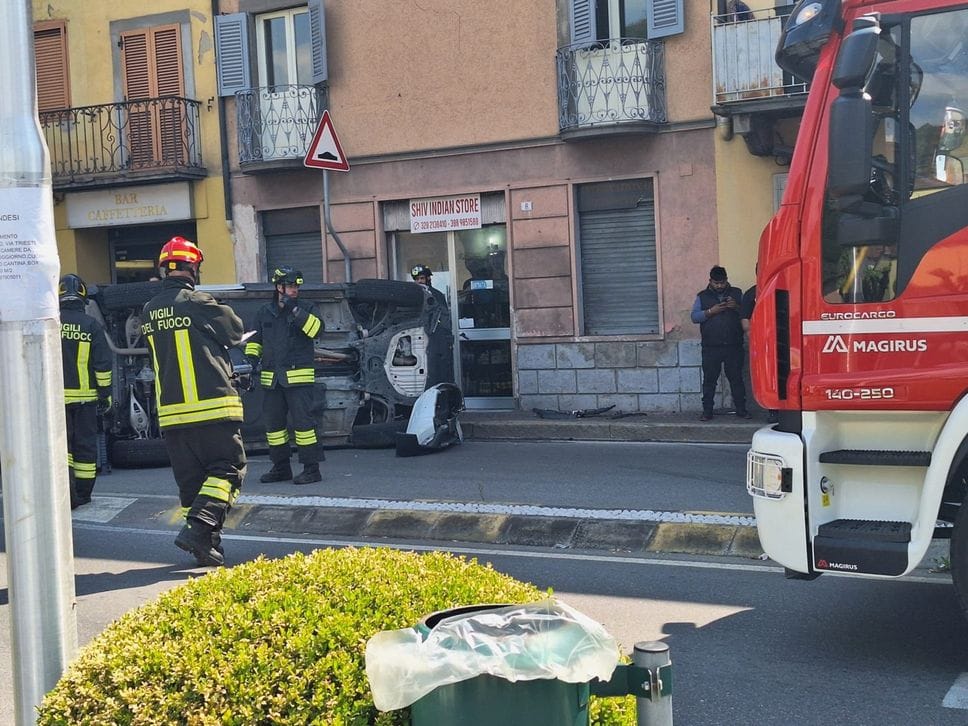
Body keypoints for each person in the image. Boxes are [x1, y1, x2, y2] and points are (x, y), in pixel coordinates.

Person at [142, 236, 246, 566]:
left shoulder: (148, 311)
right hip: (213, 407)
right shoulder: (197, 301)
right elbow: (234, 330)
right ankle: (199, 528)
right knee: (227, 470)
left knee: (192, 483)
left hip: (172, 415)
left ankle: (206, 545)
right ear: (192, 267)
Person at [246, 266, 324, 485]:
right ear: (278, 287)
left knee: (304, 427)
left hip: (298, 379)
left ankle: (311, 469)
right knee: (274, 428)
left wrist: (295, 311)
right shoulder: (264, 312)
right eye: (290, 286)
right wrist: (251, 361)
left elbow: (316, 330)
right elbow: (255, 341)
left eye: (296, 286)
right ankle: (281, 467)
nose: (294, 290)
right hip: (272, 380)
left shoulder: (306, 308)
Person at [59, 274, 112, 509]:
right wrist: (105, 395)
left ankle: (64, 491)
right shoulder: (91, 325)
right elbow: (102, 365)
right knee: (85, 448)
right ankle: (83, 493)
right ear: (83, 297)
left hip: (54, 401)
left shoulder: (49, 323)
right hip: (86, 401)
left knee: (63, 447)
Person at [691, 265, 750, 421]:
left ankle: (741, 410)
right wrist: (711, 311)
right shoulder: (702, 296)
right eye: (716, 283)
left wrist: (736, 307)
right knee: (709, 381)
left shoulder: (737, 293)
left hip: (734, 345)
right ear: (710, 281)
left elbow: (747, 313)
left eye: (722, 283)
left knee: (736, 379)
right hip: (711, 347)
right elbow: (694, 317)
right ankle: (707, 412)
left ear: (726, 280)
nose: (719, 286)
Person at [740, 278, 778, 424]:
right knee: (769, 377)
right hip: (765, 343)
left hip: (783, 341)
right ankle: (773, 411)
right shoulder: (751, 293)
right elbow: (745, 320)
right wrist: (755, 340)